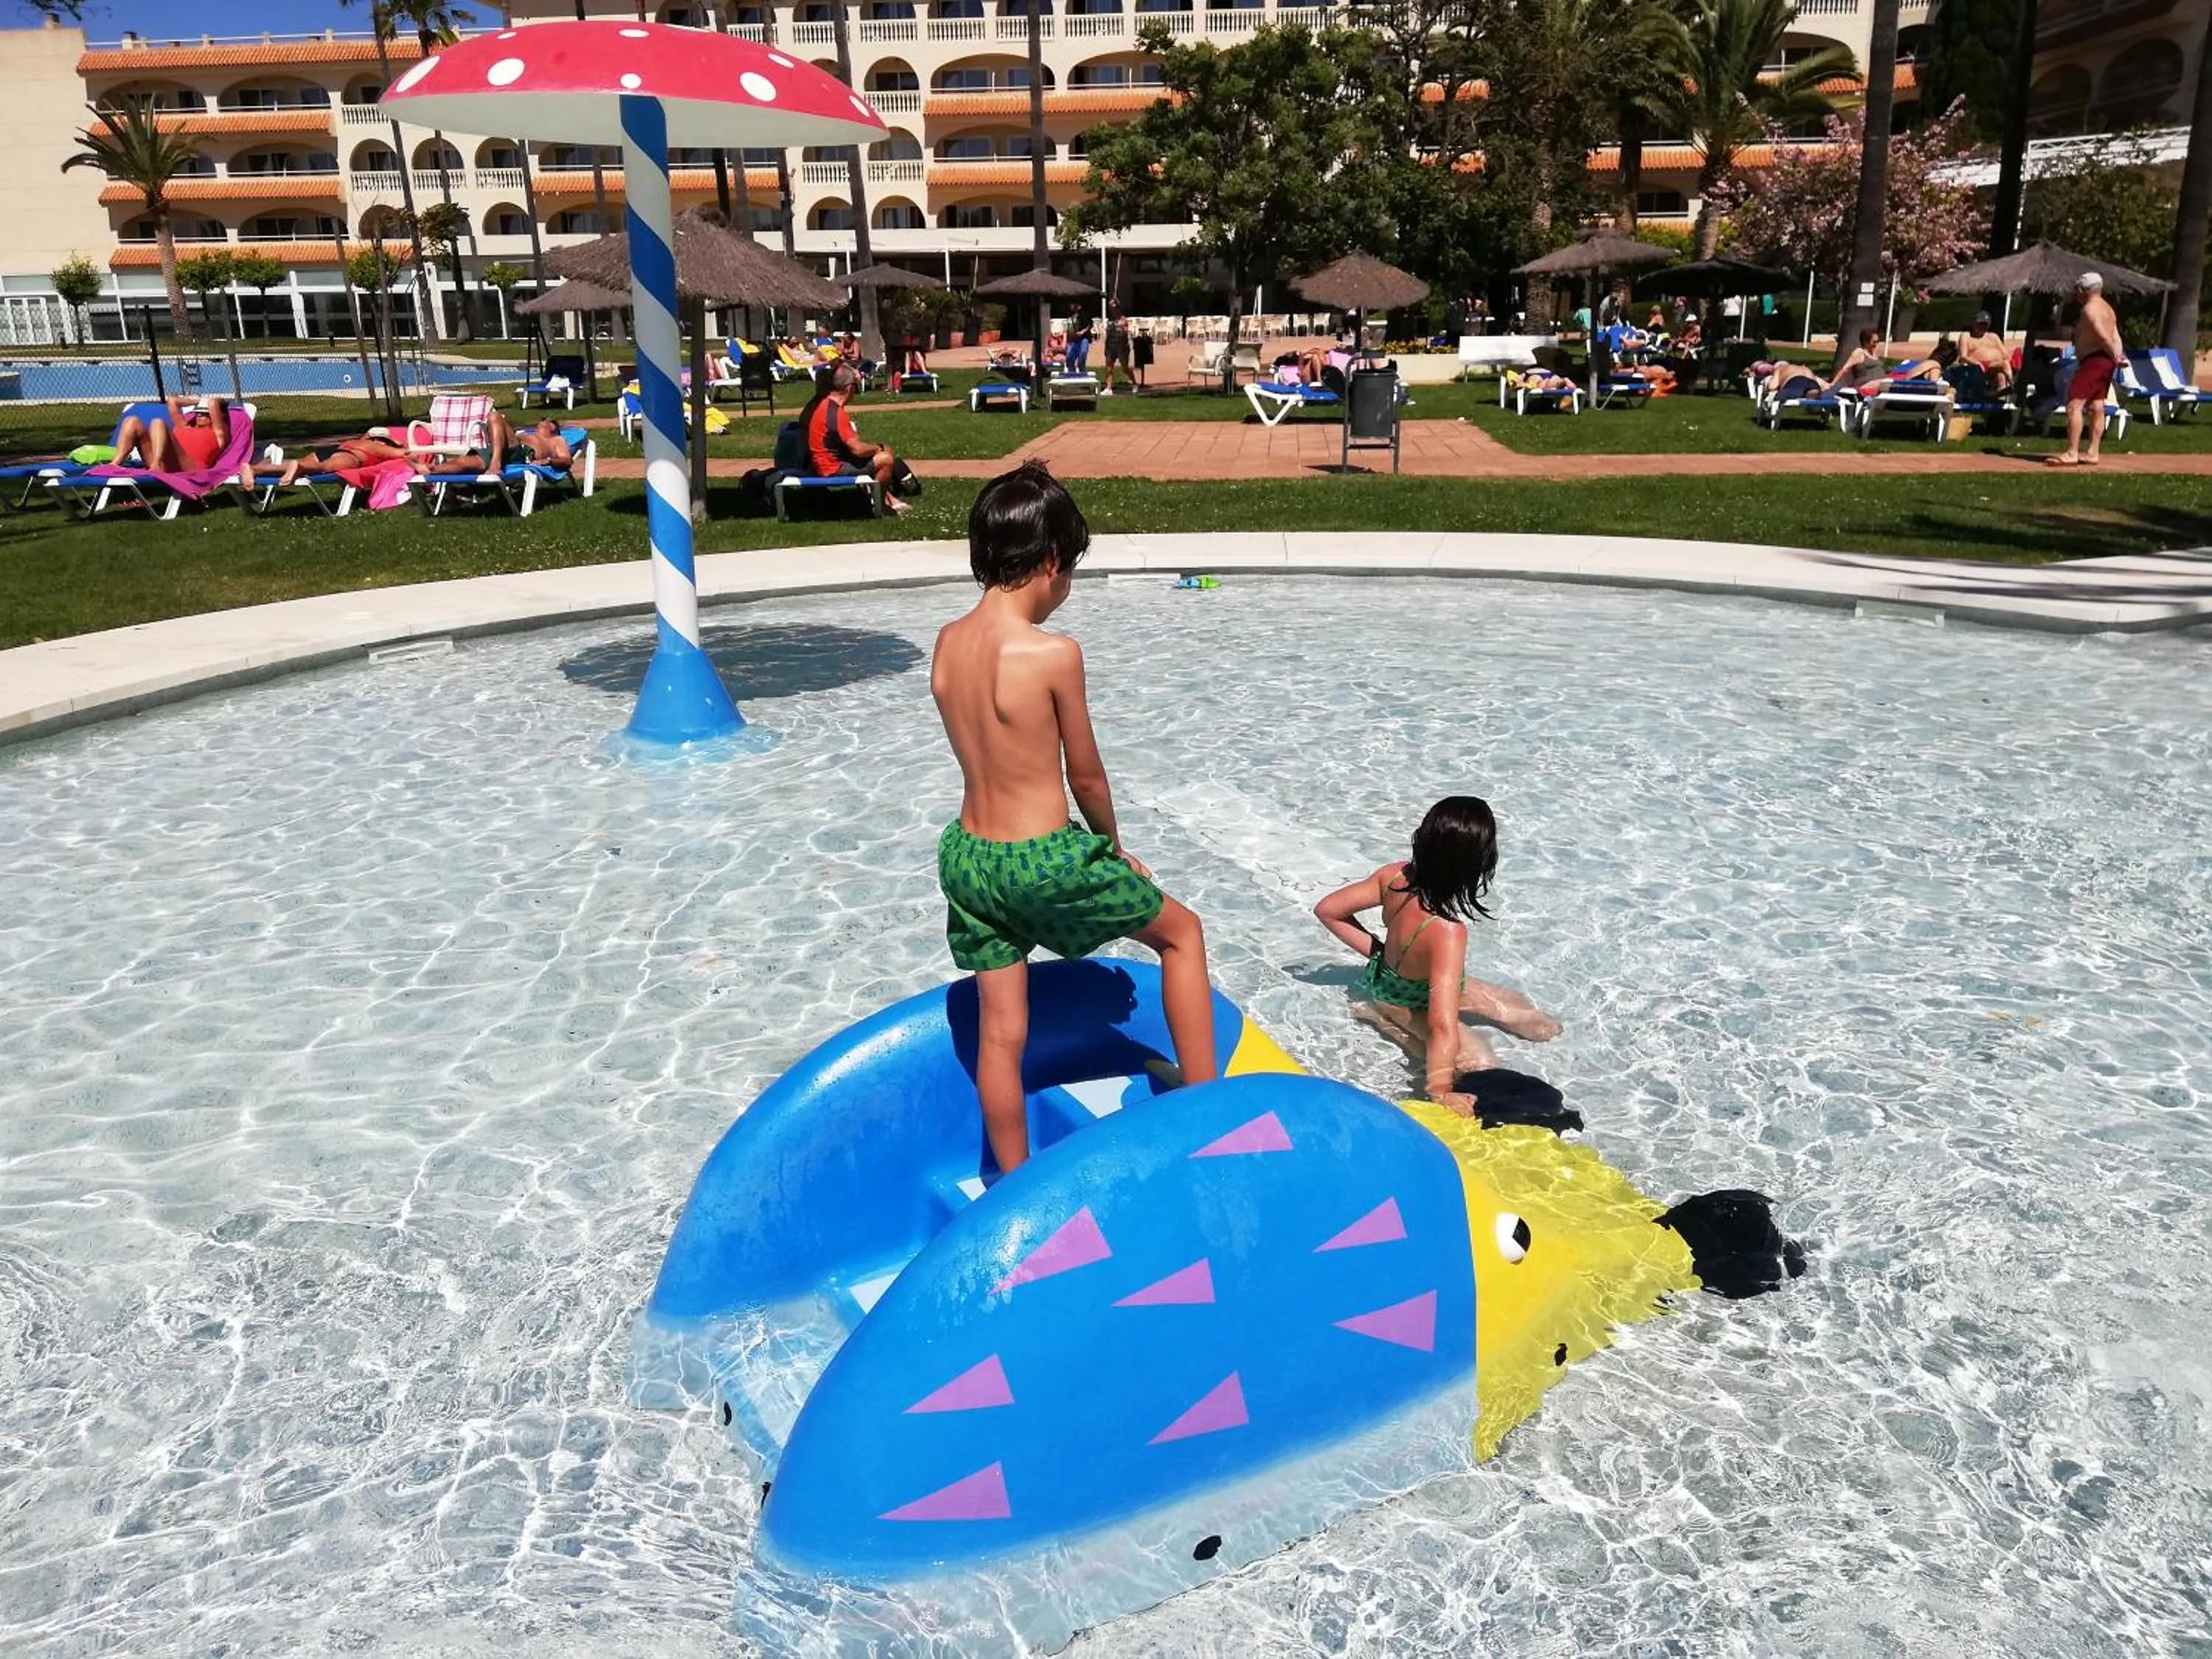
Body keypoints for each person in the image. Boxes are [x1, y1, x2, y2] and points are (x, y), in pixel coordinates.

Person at [930, 464, 1216, 1174]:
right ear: (1052, 562)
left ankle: (1012, 1176)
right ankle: (1211, 1110)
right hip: (1042, 859)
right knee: (1182, 934)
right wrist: (1112, 849)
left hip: (969, 857)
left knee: (1003, 1032)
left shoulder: (946, 644)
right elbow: (1083, 773)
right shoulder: (1053, 654)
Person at [1312, 797, 1561, 1113]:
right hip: (1405, 1004)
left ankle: (1384, 1009)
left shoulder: (1393, 876)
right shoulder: (1447, 932)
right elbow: (1442, 1025)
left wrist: (1380, 955)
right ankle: (1382, 1018)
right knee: (1479, 1063)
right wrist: (1441, 1092)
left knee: (1538, 1024)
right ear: (1477, 864)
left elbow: (1328, 910)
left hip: (1395, 981)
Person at [801, 361, 909, 513]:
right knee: (886, 459)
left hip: (826, 462)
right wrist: (877, 448)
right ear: (849, 388)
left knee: (885, 451)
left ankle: (886, 498)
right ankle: (880, 506)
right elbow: (857, 449)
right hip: (832, 468)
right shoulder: (836, 414)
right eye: (856, 386)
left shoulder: (825, 406)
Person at [2051, 271, 2124, 467]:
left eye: (2078, 290)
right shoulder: (2108, 309)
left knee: (2075, 405)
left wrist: (2116, 355)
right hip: (2105, 360)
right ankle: (2093, 452)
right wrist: (2118, 355)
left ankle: (2072, 452)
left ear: (2083, 290)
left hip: (2095, 361)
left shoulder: (2090, 310)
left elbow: (2103, 335)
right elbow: (2115, 337)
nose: (2076, 294)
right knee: (2097, 406)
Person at [111, 394, 234, 476]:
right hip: (167, 462)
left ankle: (157, 464)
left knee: (157, 422)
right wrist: (200, 402)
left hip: (189, 467)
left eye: (205, 413)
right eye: (198, 412)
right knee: (132, 421)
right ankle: (116, 463)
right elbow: (172, 401)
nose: (199, 415)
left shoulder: (219, 434)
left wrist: (209, 402)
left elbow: (213, 403)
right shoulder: (183, 426)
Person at [1955, 313, 2011, 392]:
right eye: (1980, 324)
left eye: (1985, 324)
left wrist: (1998, 359)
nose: (1983, 327)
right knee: (2004, 364)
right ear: (1974, 323)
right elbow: (1963, 356)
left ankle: (2002, 397)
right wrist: (1977, 363)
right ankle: (2012, 384)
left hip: (1994, 366)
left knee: (2001, 374)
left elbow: (2006, 355)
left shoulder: (1993, 337)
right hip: (1976, 367)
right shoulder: (1967, 336)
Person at [1101, 299, 1133, 395]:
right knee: (1109, 368)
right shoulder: (1110, 320)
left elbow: (1126, 332)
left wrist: (1122, 327)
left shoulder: (1123, 319)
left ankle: (1134, 383)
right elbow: (1108, 332)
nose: (1112, 310)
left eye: (1114, 308)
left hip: (1122, 347)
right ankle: (1109, 388)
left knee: (1125, 368)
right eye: (1111, 308)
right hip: (1110, 346)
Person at [1065, 302, 1094, 375]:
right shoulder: (1069, 315)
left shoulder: (1083, 314)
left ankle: (1082, 374)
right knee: (1069, 357)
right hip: (1072, 341)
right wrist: (1066, 341)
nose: (1070, 306)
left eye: (1072, 304)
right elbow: (1068, 328)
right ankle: (1072, 375)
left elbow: (1090, 324)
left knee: (1082, 355)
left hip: (1083, 340)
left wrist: (1082, 332)